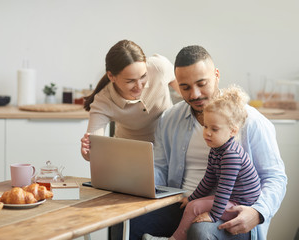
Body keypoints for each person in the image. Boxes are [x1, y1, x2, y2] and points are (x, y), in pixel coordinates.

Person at [111, 45, 287, 240]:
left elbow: (275, 178)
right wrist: (135, 187)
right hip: (182, 204)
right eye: (185, 87)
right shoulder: (170, 118)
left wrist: (258, 212)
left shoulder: (252, 122)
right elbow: (160, 167)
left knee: (200, 231)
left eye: (201, 84)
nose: (194, 94)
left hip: (231, 210)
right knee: (126, 220)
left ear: (216, 75)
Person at [143, 86, 262, 240]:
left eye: (215, 129)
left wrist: (213, 215)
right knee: (193, 204)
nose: (207, 133)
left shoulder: (231, 156)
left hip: (241, 205)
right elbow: (208, 179)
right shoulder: (216, 149)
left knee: (195, 208)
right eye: (205, 126)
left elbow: (224, 189)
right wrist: (191, 197)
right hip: (231, 199)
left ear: (232, 131)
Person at [80, 39, 180, 161]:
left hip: (168, 147)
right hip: (129, 156)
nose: (139, 86)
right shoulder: (103, 101)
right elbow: (93, 152)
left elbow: (187, 93)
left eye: (143, 76)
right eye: (130, 81)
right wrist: (87, 151)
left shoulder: (158, 68)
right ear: (111, 76)